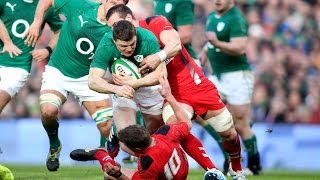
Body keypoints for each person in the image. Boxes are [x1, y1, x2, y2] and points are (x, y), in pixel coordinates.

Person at [71, 5, 221, 177]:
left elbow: (161, 75)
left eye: (132, 44)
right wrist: (116, 89)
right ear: (114, 41)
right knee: (126, 138)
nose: (129, 49)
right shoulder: (106, 43)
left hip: (149, 89)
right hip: (122, 90)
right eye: (123, 47)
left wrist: (134, 83)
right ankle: (116, 144)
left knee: (170, 132)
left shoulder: (147, 38)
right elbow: (93, 80)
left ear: (135, 34)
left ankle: (211, 169)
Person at [112, 7, 246, 180]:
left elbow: (175, 44)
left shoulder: (155, 23)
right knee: (177, 131)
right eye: (112, 27)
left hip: (196, 84)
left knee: (229, 133)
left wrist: (158, 57)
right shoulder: (126, 47)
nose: (115, 30)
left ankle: (237, 169)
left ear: (129, 18)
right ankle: (213, 171)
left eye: (116, 24)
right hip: (172, 92)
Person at [23, 0, 128, 172]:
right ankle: (54, 145)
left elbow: (117, 60)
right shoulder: (81, 6)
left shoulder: (117, 31)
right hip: (59, 71)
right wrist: (37, 22)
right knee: (48, 111)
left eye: (118, 3)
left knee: (108, 128)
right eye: (112, 1)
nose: (113, 5)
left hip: (89, 79)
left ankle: (107, 163)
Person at [199, 0, 262, 175]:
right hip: (217, 75)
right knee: (203, 112)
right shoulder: (212, 16)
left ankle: (254, 164)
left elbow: (240, 47)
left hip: (237, 75)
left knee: (240, 123)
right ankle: (230, 156)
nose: (217, 1)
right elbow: (211, 41)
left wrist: (217, 43)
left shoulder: (236, 18)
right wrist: (205, 52)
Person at [0, 0, 62, 116]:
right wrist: (7, 41)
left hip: (18, 65)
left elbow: (59, 29)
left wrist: (48, 49)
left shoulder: (46, 6)